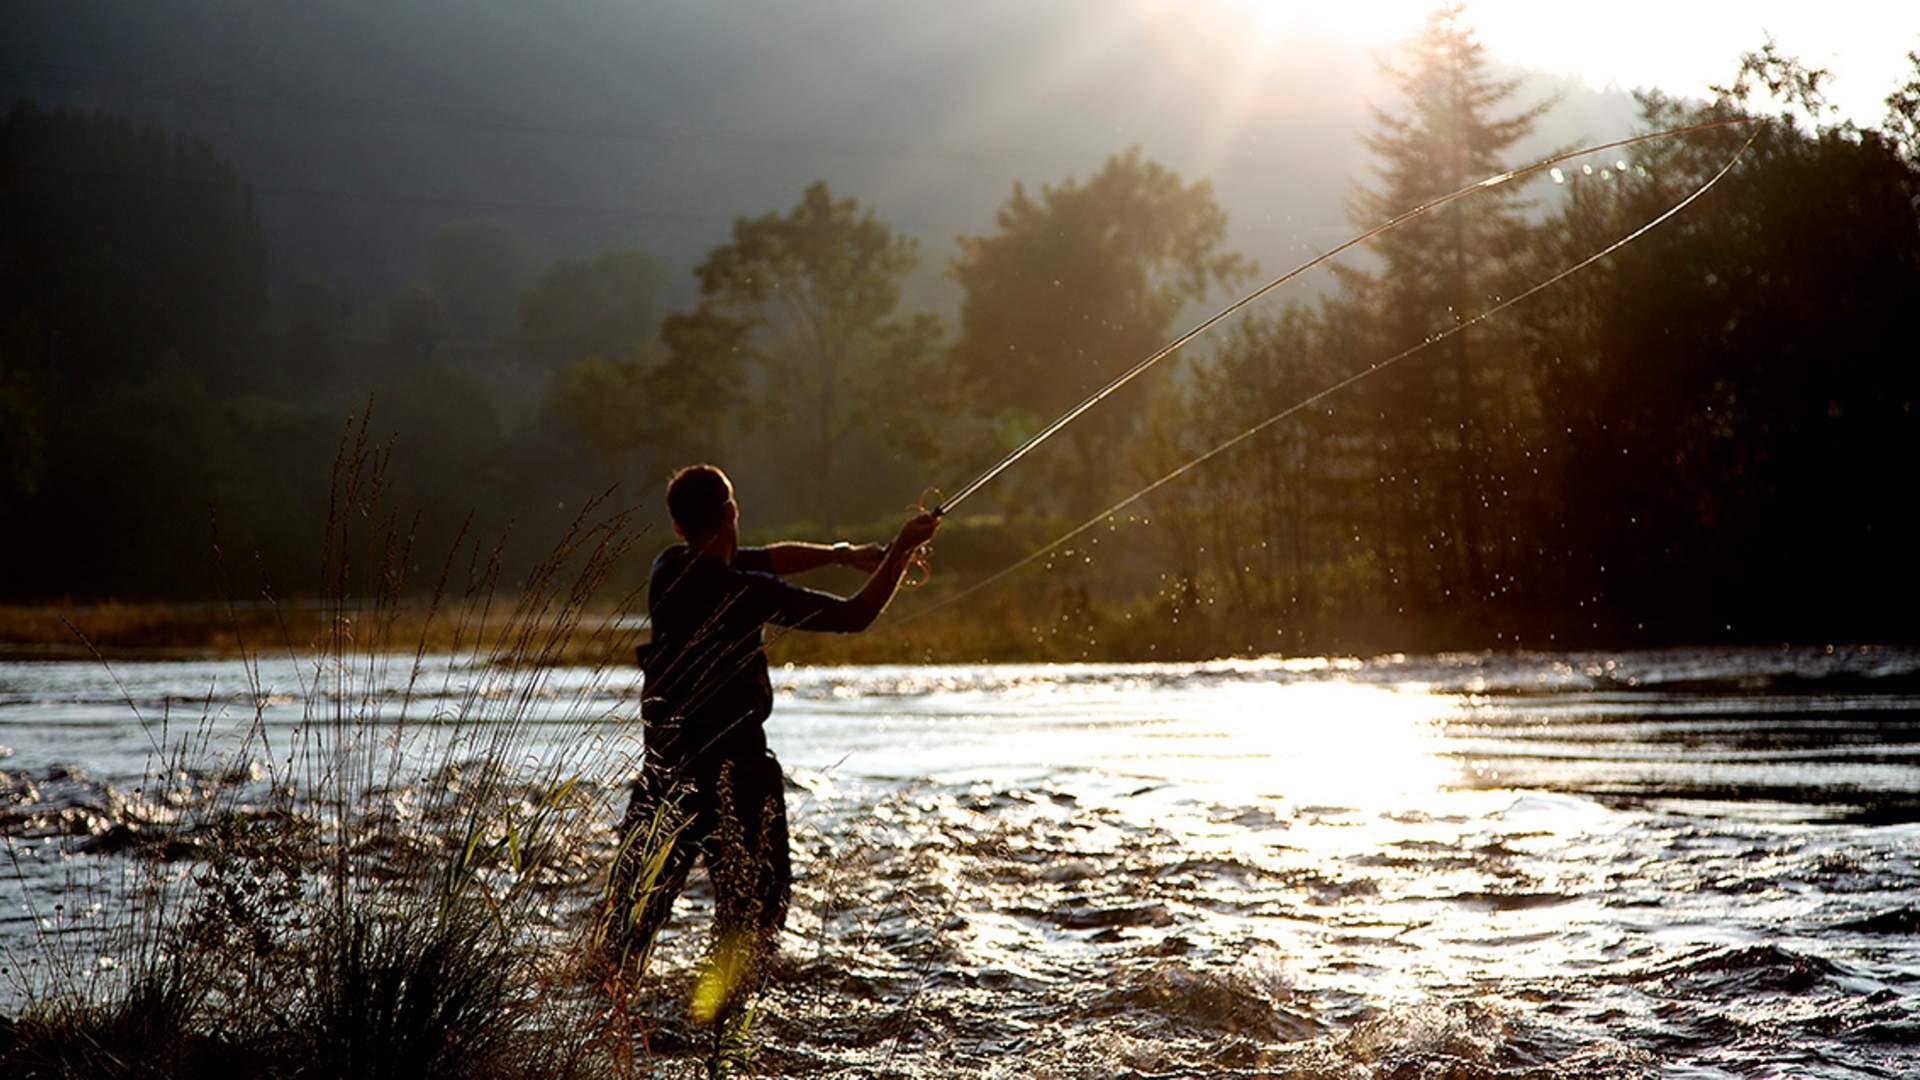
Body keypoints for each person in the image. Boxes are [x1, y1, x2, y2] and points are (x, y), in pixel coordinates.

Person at [603, 463, 939, 999]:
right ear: (733, 512)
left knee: (629, 920)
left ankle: (605, 1018)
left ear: (678, 528)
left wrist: (838, 555)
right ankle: (723, 1015)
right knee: (755, 915)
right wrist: (900, 550)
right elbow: (855, 616)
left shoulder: (667, 569)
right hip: (736, 774)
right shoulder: (748, 592)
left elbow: (769, 558)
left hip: (666, 768)